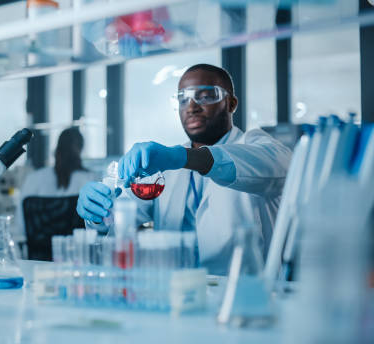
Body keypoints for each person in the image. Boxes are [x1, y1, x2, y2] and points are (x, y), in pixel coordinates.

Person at [76, 64, 292, 275]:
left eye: (206, 96)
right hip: (176, 295)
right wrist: (98, 211)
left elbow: (277, 165)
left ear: (231, 103)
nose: (191, 106)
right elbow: (120, 216)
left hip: (241, 296)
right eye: (183, 99)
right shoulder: (166, 164)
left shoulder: (252, 144)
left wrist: (181, 157)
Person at [14, 127, 98, 243]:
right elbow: (97, 228)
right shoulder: (91, 180)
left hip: (37, 258)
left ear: (57, 147)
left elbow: (21, 227)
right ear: (80, 149)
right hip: (77, 255)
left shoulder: (33, 178)